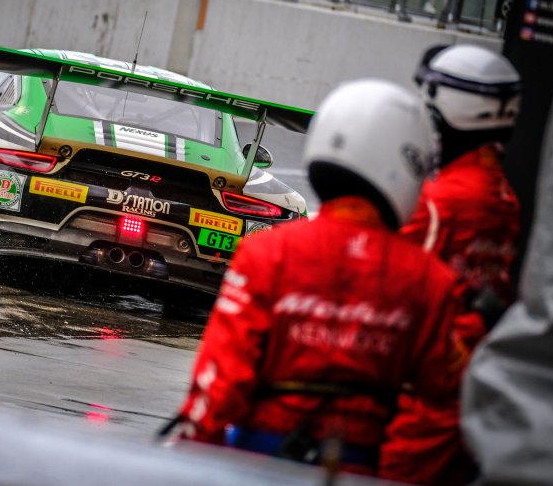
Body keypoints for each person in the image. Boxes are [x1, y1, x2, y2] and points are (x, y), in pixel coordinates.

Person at [172, 79, 468, 476]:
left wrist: (188, 464)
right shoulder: (433, 281)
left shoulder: (268, 253)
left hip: (257, 462)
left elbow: (219, 384)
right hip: (366, 466)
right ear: (407, 164)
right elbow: (441, 410)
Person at [379, 44, 522, 485]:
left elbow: (383, 287)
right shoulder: (504, 196)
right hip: (472, 393)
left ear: (454, 111)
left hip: (417, 404)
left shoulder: (439, 201)